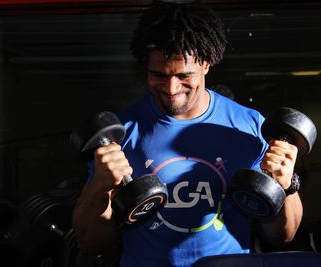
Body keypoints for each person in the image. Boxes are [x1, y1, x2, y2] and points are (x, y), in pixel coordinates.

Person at [72, 1, 303, 267]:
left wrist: (287, 186)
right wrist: (98, 188)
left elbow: (283, 236)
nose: (171, 88)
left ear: (206, 64)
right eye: (158, 74)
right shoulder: (123, 131)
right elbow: (90, 242)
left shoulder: (249, 126)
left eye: (184, 75)